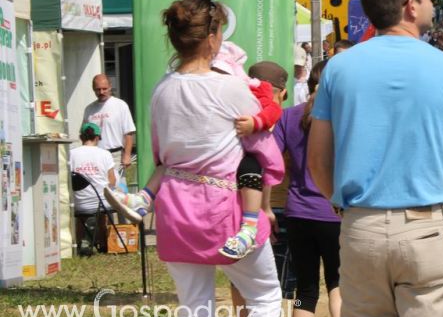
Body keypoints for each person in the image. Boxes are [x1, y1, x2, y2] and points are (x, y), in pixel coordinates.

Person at [308, 0, 443, 317]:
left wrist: (341, 203)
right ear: (410, 5)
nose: (433, 3)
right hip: (425, 227)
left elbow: (318, 161)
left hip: (362, 227)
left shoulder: (338, 69)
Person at [143, 0, 285, 317]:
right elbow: (263, 148)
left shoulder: (161, 90)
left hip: (175, 210)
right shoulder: (230, 87)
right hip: (226, 212)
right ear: (211, 37)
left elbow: (160, 154)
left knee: (195, 316)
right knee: (265, 296)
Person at [106, 41, 285, 260]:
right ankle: (143, 199)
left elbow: (270, 116)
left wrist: (255, 124)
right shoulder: (212, 87)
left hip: (239, 162)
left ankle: (249, 226)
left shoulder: (248, 89)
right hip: (200, 174)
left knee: (250, 171)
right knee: (167, 166)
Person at [274, 60, 341, 317]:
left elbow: (271, 161)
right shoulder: (344, 117)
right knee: (338, 284)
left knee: (305, 290)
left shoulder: (287, 117)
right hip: (336, 214)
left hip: (298, 213)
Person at [70, 122, 116, 253]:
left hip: (79, 204)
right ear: (97, 137)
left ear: (81, 137)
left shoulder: (71, 154)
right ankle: (104, 244)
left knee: (80, 219)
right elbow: (112, 181)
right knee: (102, 216)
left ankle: (78, 245)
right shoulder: (105, 154)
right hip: (102, 203)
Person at [83, 74, 135, 180]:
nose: (101, 92)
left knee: (117, 191)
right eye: (98, 89)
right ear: (93, 89)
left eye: (104, 89)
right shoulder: (89, 109)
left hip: (115, 156)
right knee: (98, 189)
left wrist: (127, 155)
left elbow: (128, 132)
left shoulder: (120, 105)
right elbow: (85, 135)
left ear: (110, 86)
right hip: (95, 155)